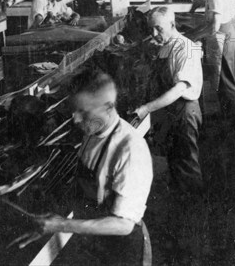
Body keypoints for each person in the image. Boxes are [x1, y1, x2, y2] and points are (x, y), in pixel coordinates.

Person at [11, 68, 153, 266]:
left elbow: (123, 225)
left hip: (122, 249)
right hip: (94, 241)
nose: (75, 119)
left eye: (83, 112)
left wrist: (61, 225)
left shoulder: (129, 150)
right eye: (74, 110)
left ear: (108, 108)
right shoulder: (92, 131)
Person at [134, 6, 203, 196]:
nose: (154, 34)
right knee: (175, 163)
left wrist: (146, 108)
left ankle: (195, 212)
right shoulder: (165, 46)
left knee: (187, 165)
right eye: (151, 29)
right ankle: (178, 209)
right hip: (170, 112)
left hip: (184, 112)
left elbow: (178, 89)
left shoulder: (185, 48)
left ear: (172, 24)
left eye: (159, 29)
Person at [189, 0, 235, 128]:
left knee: (225, 79)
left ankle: (231, 122)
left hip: (222, 36)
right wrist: (202, 3)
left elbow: (213, 28)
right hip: (231, 30)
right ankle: (229, 116)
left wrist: (193, 35)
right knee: (228, 76)